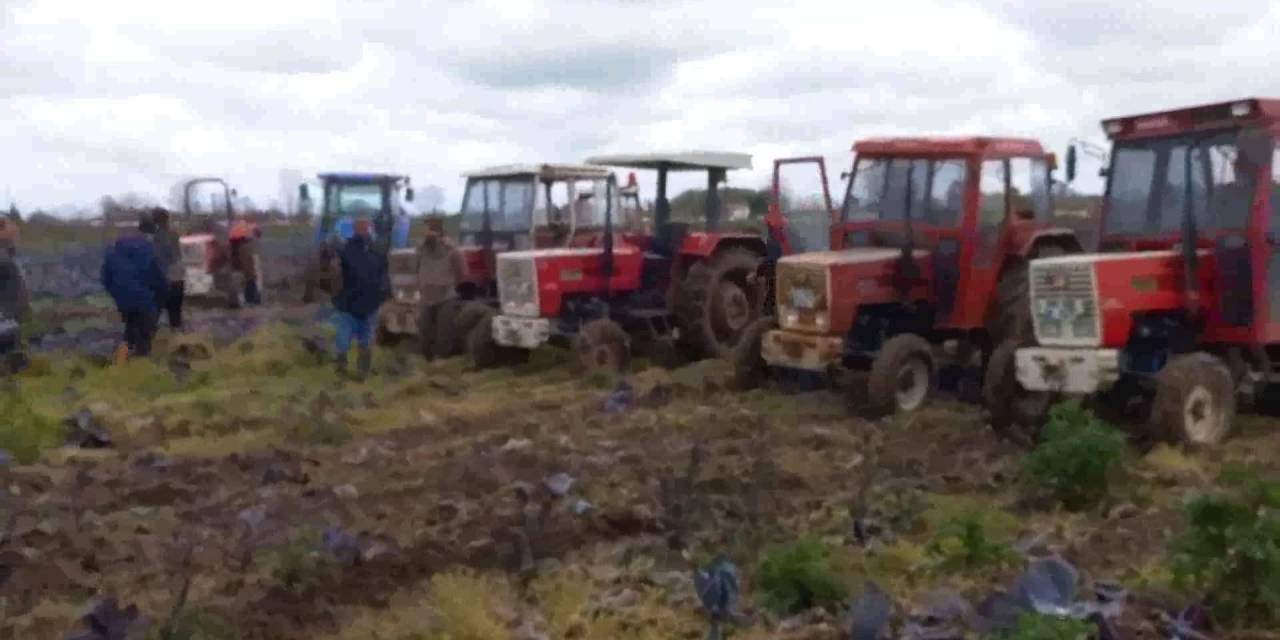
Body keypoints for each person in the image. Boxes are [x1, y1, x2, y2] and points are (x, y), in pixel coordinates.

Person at [101, 217, 167, 359]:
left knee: (131, 327)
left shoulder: (112, 251)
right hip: (145, 298)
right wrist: (161, 297)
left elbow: (105, 278)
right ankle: (141, 363)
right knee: (145, 332)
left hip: (123, 298)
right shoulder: (149, 250)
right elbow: (157, 277)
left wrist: (117, 295)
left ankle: (123, 358)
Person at [332, 218, 389, 378]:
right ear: (356, 230)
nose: (365, 231)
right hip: (350, 303)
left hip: (368, 303)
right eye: (362, 228)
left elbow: (383, 274)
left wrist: (382, 293)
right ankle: (341, 369)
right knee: (344, 338)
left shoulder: (376, 251)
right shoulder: (346, 250)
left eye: (367, 228)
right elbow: (336, 276)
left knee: (365, 338)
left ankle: (362, 371)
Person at [415, 216, 465, 358]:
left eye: (430, 231)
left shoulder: (452, 250)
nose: (427, 234)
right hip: (426, 296)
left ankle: (443, 361)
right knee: (424, 332)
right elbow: (415, 268)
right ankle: (428, 360)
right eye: (425, 231)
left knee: (444, 333)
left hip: (446, 297)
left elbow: (462, 272)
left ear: (438, 232)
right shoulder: (421, 249)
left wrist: (450, 284)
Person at [150, 208, 184, 330]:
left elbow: (158, 258)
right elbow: (177, 256)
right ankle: (176, 335)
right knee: (175, 312)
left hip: (165, 277)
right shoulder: (174, 234)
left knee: (157, 308)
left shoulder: (157, 237)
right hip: (177, 276)